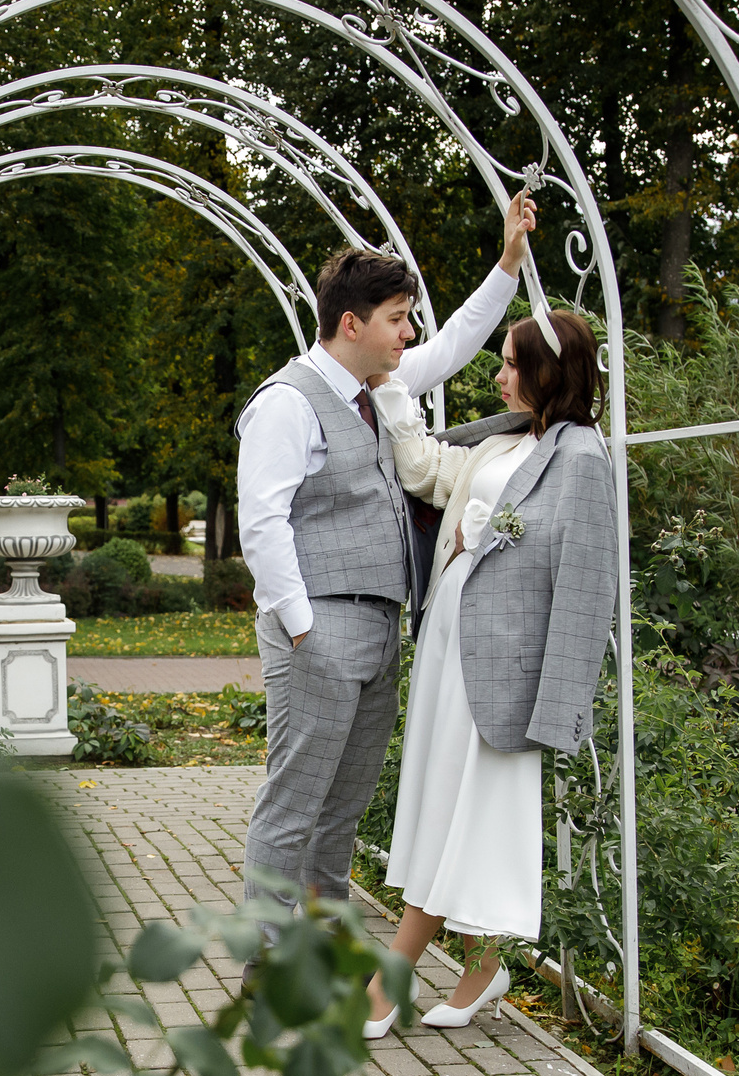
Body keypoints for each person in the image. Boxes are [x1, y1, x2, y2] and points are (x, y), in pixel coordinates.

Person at [234, 197, 540, 936]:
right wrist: (304, 630)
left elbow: (458, 343)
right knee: (294, 801)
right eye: (399, 318)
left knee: (341, 808)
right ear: (353, 324)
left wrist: (507, 265)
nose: (410, 332)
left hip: (378, 624)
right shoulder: (288, 402)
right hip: (319, 630)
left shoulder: (377, 390)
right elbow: (262, 521)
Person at [358, 306, 619, 1033]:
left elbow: (588, 588)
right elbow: (424, 473)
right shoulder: (504, 439)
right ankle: (481, 970)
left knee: (457, 812)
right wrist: (388, 387)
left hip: (505, 670)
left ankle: (387, 982)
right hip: (450, 643)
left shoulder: (582, 459)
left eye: (511, 362)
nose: (499, 375)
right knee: (442, 802)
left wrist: (558, 705)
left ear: (548, 370)